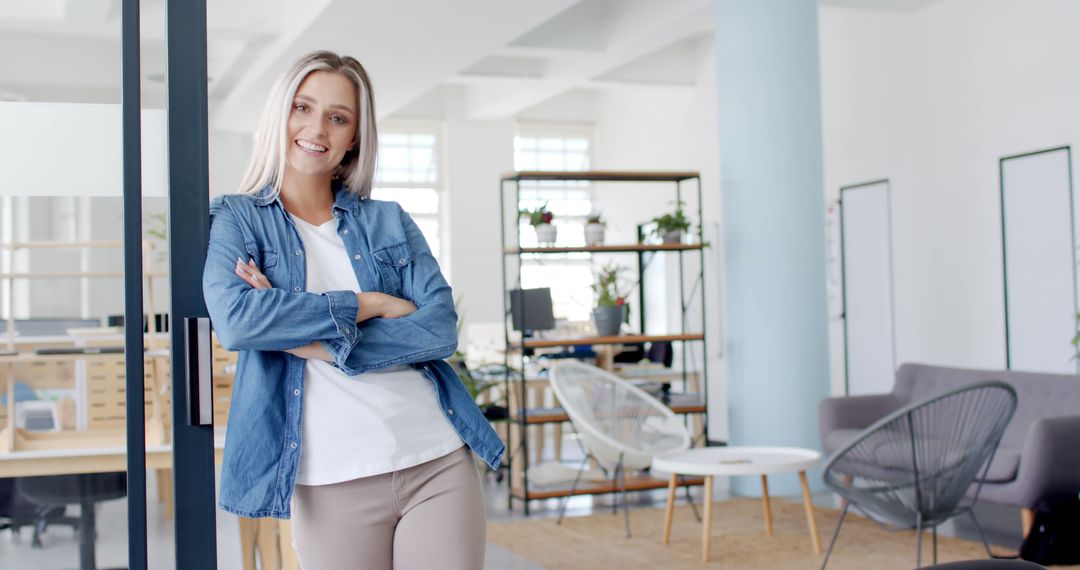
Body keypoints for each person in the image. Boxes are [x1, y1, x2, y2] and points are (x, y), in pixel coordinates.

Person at [202, 50, 504, 570]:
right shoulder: (237, 219)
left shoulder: (388, 221)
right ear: (282, 114)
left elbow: (437, 328)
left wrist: (309, 337)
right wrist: (372, 304)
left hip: (437, 459)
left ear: (354, 137)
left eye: (338, 117)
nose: (316, 127)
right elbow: (238, 321)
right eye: (303, 107)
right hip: (331, 477)